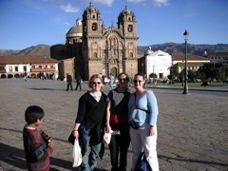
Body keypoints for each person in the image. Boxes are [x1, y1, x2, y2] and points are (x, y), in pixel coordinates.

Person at [72, 74, 107, 171]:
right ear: (91, 84)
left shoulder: (105, 98)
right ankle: (85, 168)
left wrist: (107, 126)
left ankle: (92, 166)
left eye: (98, 83)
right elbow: (80, 114)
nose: (96, 84)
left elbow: (107, 113)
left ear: (101, 84)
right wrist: (75, 129)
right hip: (85, 128)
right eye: (94, 83)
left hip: (98, 129)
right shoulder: (84, 98)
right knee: (84, 150)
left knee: (96, 151)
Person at [128, 73, 159, 171]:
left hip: (146, 126)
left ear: (144, 82)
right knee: (136, 151)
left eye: (139, 81)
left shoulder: (149, 94)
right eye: (135, 81)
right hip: (133, 127)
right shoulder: (131, 95)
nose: (137, 83)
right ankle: (135, 169)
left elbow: (154, 111)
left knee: (150, 152)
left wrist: (152, 125)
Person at [106, 73, 131, 171]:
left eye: (124, 79)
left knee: (124, 149)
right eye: (120, 79)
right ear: (118, 80)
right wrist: (107, 124)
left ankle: (122, 168)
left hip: (125, 126)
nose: (122, 81)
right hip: (114, 125)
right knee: (113, 148)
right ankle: (114, 167)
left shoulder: (130, 95)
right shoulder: (112, 92)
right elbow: (108, 109)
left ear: (128, 80)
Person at [23, 105, 54, 171]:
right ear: (37, 120)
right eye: (42, 119)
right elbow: (40, 156)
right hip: (39, 167)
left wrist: (43, 138)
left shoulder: (27, 128)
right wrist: (50, 148)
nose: (42, 120)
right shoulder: (33, 137)